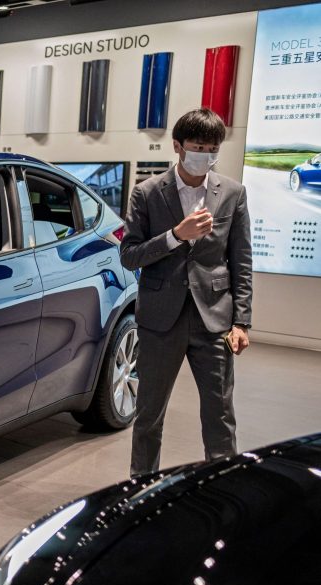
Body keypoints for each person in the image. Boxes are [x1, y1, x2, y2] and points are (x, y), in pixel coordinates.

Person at [120, 107, 252, 477]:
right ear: (178, 146)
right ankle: (140, 486)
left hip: (215, 321)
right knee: (149, 415)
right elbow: (129, 255)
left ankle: (224, 486)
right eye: (198, 146)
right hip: (160, 320)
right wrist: (176, 236)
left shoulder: (232, 193)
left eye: (213, 148)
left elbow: (241, 260)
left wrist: (242, 321)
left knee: (220, 413)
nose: (206, 155)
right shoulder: (146, 193)